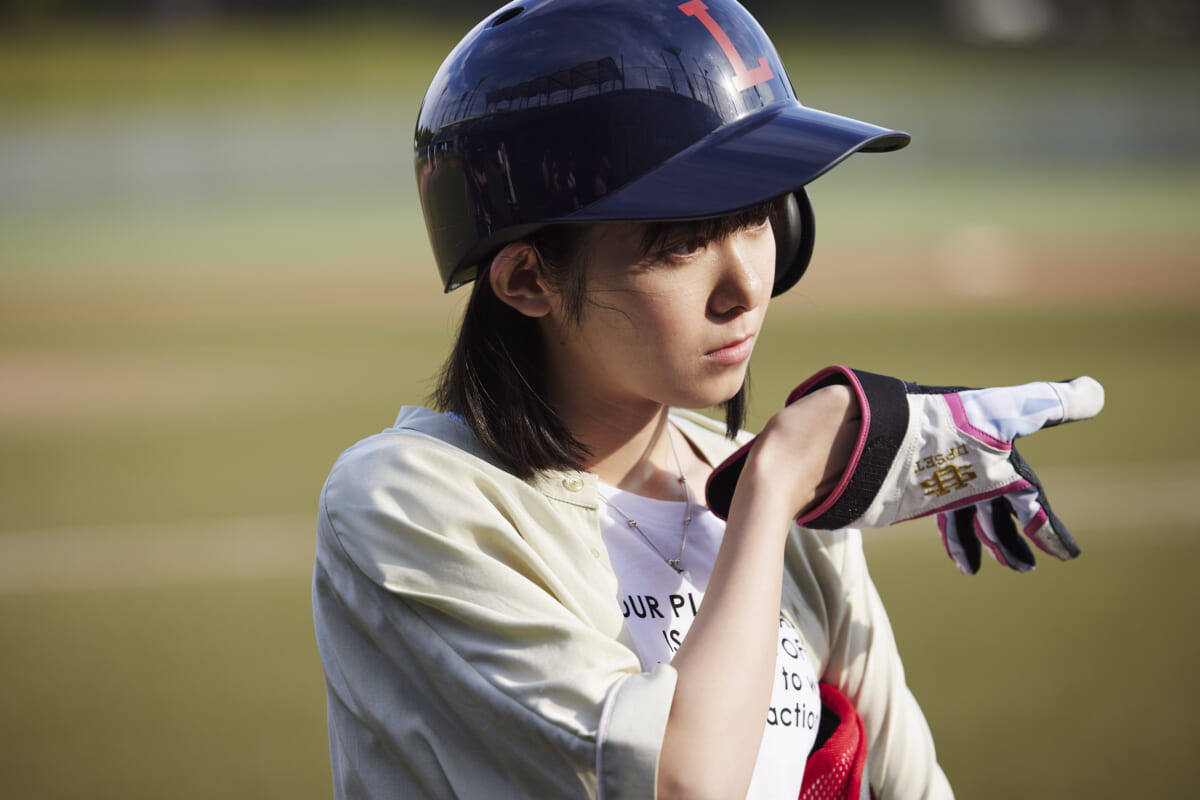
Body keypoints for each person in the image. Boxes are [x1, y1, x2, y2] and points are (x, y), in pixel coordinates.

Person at [312, 1, 1103, 798]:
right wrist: (772, 488)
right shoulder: (408, 502)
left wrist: (783, 486)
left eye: (757, 219)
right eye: (682, 244)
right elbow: (680, 782)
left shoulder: (789, 493)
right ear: (527, 280)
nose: (747, 288)